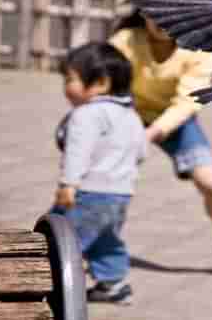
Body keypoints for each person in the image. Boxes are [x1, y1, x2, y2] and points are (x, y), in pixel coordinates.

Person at [108, 10, 212, 272]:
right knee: (108, 183)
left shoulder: (200, 47)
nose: (162, 23)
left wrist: (152, 133)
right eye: (156, 14)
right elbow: (110, 87)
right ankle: (91, 244)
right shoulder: (124, 41)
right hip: (128, 116)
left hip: (177, 120)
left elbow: (188, 101)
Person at [51, 41, 148, 304]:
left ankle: (52, 285)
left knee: (62, 240)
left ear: (101, 83)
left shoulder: (86, 114)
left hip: (87, 193)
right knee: (106, 240)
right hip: (120, 195)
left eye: (70, 79)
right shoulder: (131, 115)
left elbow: (77, 153)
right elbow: (141, 152)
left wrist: (68, 184)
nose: (65, 86)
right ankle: (113, 284)